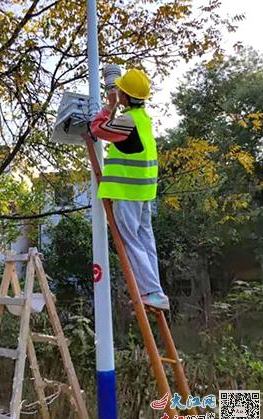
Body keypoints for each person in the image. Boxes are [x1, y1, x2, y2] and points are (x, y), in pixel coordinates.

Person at [89, 68, 169, 311]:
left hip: (128, 193)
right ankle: (156, 292)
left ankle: (151, 292)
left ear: (126, 96)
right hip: (143, 193)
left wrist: (109, 106)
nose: (118, 90)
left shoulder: (128, 121)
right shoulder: (143, 119)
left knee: (131, 242)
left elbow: (97, 129)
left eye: (121, 89)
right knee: (145, 242)